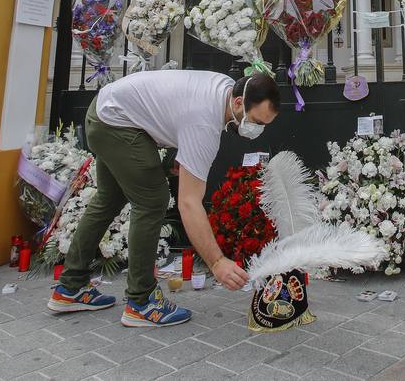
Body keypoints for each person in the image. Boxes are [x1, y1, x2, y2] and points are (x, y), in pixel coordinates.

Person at [46, 69, 280, 327]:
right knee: (152, 200)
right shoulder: (204, 122)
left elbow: (172, 111)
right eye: (257, 122)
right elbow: (189, 203)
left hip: (106, 109)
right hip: (115, 121)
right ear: (238, 103)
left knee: (109, 199)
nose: (259, 130)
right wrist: (217, 262)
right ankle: (141, 301)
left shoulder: (226, 87)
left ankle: (70, 287)